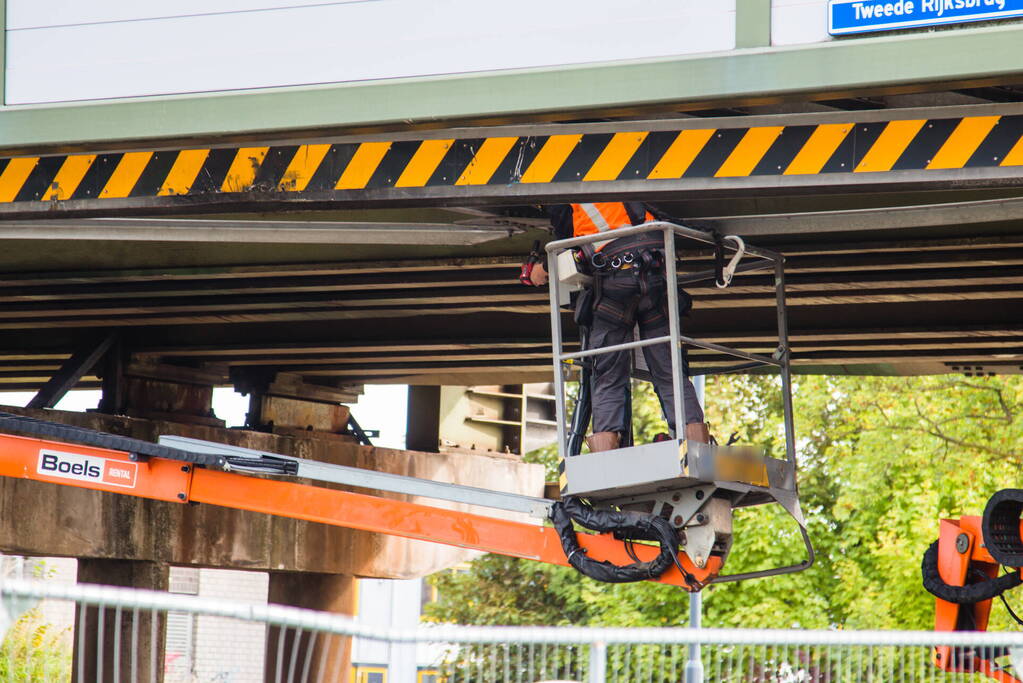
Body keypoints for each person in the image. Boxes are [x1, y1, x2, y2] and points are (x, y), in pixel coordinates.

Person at [528, 202, 712, 452]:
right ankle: (696, 447)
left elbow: (568, 250)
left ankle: (606, 453)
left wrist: (540, 269)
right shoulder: (623, 187)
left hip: (616, 281)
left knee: (608, 373)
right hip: (656, 277)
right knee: (669, 370)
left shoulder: (568, 197)